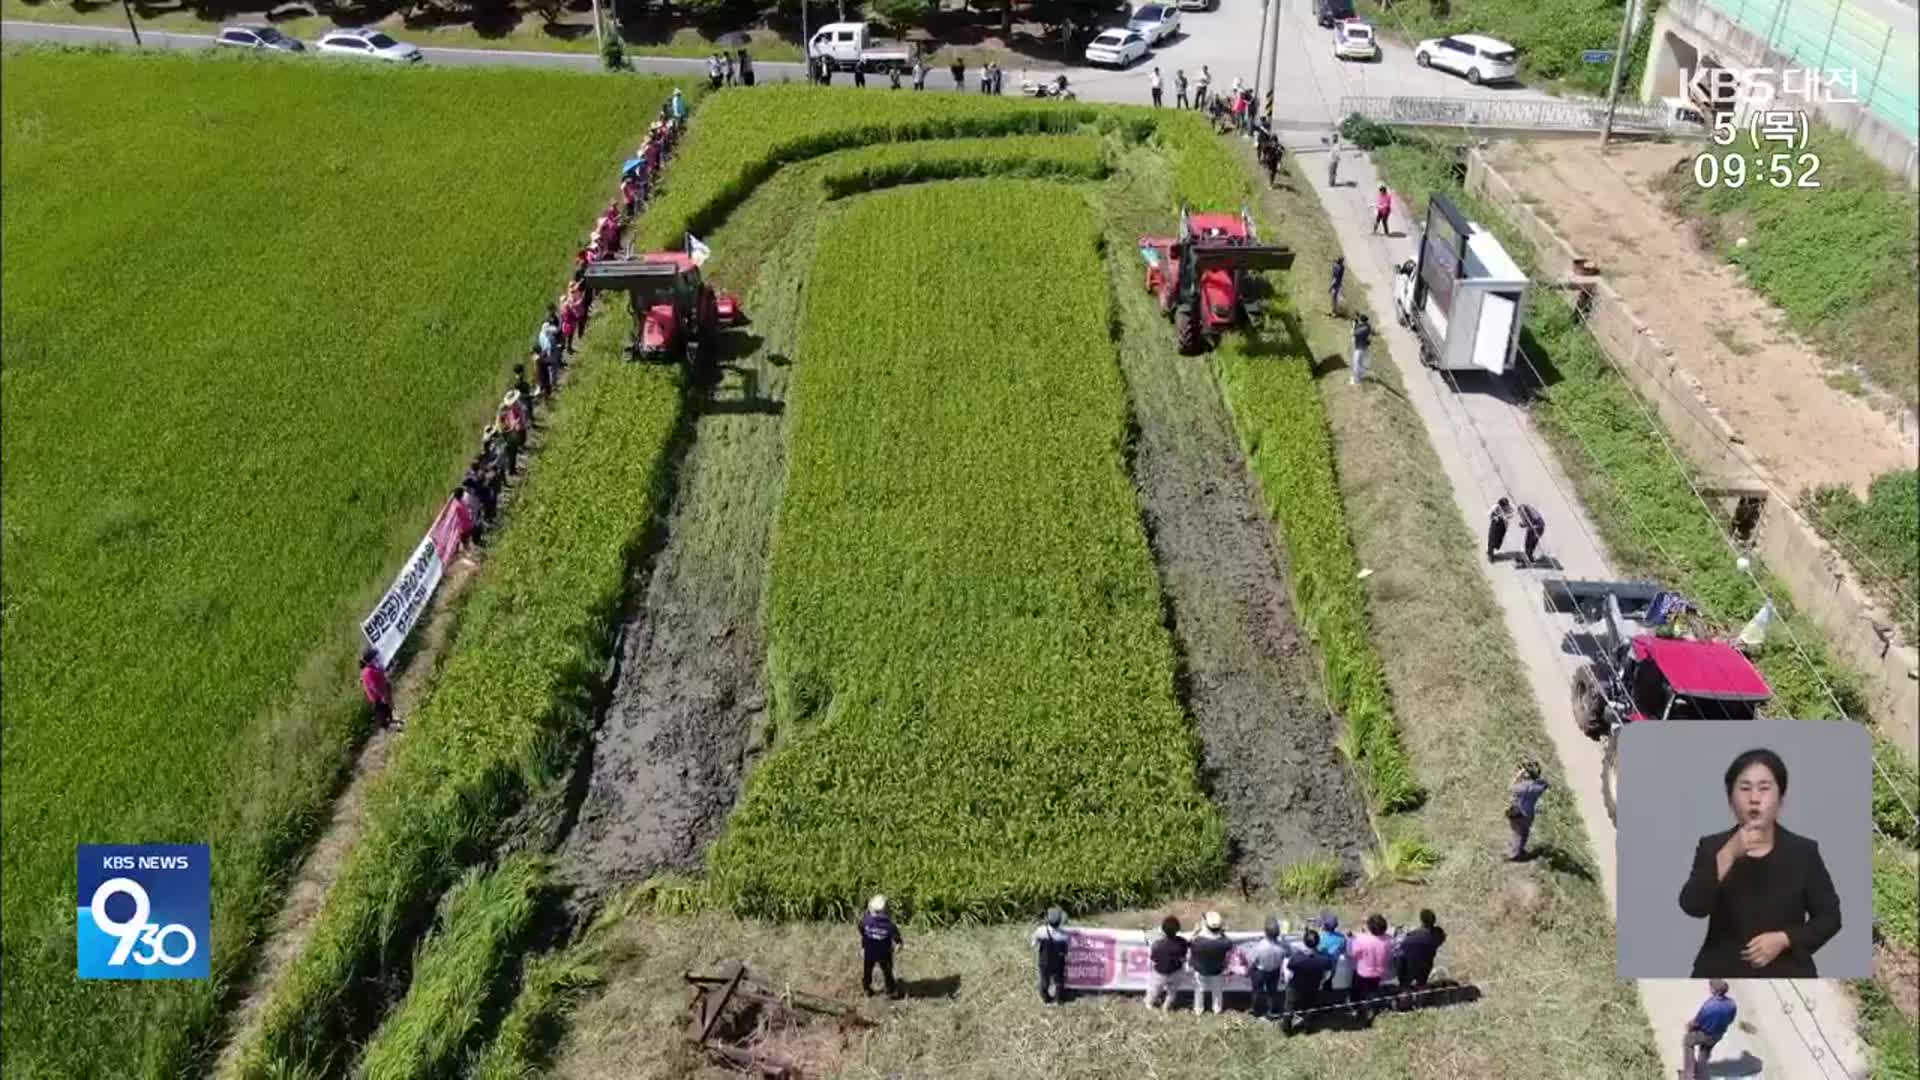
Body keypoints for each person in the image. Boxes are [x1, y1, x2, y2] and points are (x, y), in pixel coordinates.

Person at [1679, 748, 1841, 978]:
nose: (1754, 799)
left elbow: (1831, 918)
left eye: (1764, 789)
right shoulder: (1712, 847)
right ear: (1730, 800)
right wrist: (1729, 854)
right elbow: (1692, 906)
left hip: (1789, 973)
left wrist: (1785, 939)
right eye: (1744, 789)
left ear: (1780, 800)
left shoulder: (1804, 852)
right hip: (1720, 971)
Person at [1282, 928, 1334, 1036]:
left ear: (1304, 942)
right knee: (1310, 1008)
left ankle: (1287, 1029)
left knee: (1289, 1007)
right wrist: (1320, 982)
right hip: (1312, 987)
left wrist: (1288, 982)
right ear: (1318, 942)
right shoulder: (1324, 960)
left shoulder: (1296, 959)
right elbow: (1327, 975)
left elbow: (1288, 974)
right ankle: (1307, 1028)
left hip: (1295, 988)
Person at [1682, 980, 1738, 1079]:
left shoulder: (1709, 1005)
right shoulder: (1732, 1004)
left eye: (1710, 986)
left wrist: (1689, 1026)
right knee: (1704, 1052)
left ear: (1714, 990)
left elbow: (1697, 1022)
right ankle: (1701, 1075)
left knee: (1687, 1041)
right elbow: (1731, 1020)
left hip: (1704, 1034)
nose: (1709, 988)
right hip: (1718, 1035)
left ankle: (1689, 1075)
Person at [1394, 908, 1446, 1003]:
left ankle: (1404, 1003)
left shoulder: (1411, 936)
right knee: (1422, 984)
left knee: (1404, 986)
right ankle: (1421, 1002)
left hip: (1407, 965)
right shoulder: (1437, 935)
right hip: (1425, 965)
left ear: (1421, 920)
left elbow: (1401, 949)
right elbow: (1440, 939)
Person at [1188, 911, 1232, 1014]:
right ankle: (1217, 1009)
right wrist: (1223, 932)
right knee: (1217, 991)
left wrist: (1194, 932)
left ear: (1206, 925)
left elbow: (1189, 943)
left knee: (1199, 990)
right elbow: (1229, 942)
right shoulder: (1224, 942)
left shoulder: (1197, 941)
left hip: (1200, 970)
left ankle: (1198, 1009)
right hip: (1217, 970)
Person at [1349, 914, 1391, 1017]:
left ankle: (1356, 1008)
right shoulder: (1389, 940)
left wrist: (1353, 938)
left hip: (1363, 973)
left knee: (1357, 991)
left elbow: (1352, 953)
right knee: (1372, 990)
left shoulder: (1361, 940)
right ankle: (1372, 1007)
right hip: (1379, 972)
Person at [860, 895, 903, 997]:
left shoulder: (866, 921)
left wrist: (864, 941)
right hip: (884, 953)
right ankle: (891, 991)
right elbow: (897, 938)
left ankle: (866, 988)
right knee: (887, 971)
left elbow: (861, 928)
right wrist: (899, 945)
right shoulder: (889, 925)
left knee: (867, 970)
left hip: (869, 951)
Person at [1245, 918, 1288, 1019]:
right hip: (1275, 971)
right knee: (1272, 992)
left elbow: (1252, 960)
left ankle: (1254, 1010)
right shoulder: (1282, 947)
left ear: (1265, 932)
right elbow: (1287, 955)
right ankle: (1271, 1011)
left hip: (1260, 971)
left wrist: (1248, 971)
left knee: (1256, 991)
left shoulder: (1260, 947)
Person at [1508, 760, 1550, 861]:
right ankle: (1519, 851)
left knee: (1517, 834)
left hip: (1516, 813)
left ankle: (1514, 855)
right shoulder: (1539, 786)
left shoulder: (1522, 786)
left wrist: (1518, 775)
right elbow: (1545, 784)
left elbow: (1510, 788)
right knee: (1525, 833)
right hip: (1528, 815)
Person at [1146, 915, 1189, 1011]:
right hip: (1176, 972)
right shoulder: (1182, 942)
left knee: (1154, 990)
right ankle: (1166, 1007)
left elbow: (1153, 959)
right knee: (1172, 992)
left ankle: (1149, 1004)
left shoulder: (1157, 945)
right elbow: (1183, 956)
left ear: (1163, 930)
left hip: (1160, 973)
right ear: (1177, 929)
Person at [1031, 907, 1071, 1005]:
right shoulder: (1064, 935)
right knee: (1059, 981)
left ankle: (1046, 998)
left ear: (1047, 920)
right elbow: (1067, 950)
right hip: (1058, 962)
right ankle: (1059, 1000)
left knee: (1044, 981)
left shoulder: (1040, 931)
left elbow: (1033, 944)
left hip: (1044, 962)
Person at [360, 649, 393, 728]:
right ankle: (399, 730)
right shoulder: (368, 671)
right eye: (375, 657)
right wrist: (382, 696)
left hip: (382, 696)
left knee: (390, 715)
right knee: (385, 722)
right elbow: (373, 686)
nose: (377, 658)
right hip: (379, 699)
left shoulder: (373, 668)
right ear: (371, 659)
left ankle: (400, 728)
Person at [1486, 497, 1513, 561]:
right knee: (1492, 538)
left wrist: (1506, 516)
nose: (1505, 508)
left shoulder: (1510, 507)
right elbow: (1489, 514)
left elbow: (1511, 514)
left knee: (1498, 540)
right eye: (1503, 507)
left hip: (1503, 526)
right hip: (1495, 525)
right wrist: (1495, 517)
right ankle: (1490, 554)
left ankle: (1492, 550)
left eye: (1506, 506)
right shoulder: (1495, 507)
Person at [1351, 313, 1373, 386]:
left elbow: (1354, 333)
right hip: (1362, 347)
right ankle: (1360, 376)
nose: (1358, 321)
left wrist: (1354, 326)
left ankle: (1357, 380)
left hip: (1361, 348)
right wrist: (1355, 322)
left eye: (1360, 320)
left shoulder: (1364, 329)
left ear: (1362, 321)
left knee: (1357, 363)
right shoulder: (1366, 326)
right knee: (1360, 363)